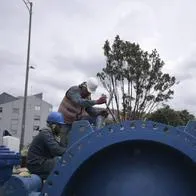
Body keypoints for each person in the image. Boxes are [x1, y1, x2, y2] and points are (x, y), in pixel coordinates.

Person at [58, 77, 108, 147]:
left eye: (90, 93)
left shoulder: (87, 97)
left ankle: (96, 138)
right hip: (64, 121)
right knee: (63, 143)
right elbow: (80, 102)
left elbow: (90, 110)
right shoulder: (73, 90)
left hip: (75, 123)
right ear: (83, 87)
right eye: (87, 91)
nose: (88, 94)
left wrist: (99, 113)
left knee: (73, 143)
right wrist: (97, 101)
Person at [27, 112, 66, 180]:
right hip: (36, 164)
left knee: (59, 161)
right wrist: (71, 150)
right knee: (59, 162)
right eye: (59, 126)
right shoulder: (45, 133)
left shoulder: (52, 134)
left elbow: (59, 148)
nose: (61, 128)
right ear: (53, 125)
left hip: (41, 162)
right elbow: (56, 150)